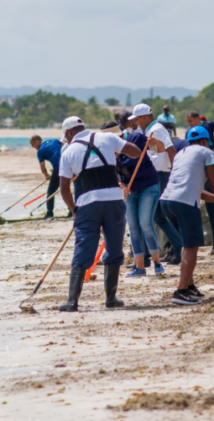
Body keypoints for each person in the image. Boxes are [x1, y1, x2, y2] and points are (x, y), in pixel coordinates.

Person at [58, 116, 141, 312]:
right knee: (113, 247)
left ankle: (72, 301)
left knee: (84, 247)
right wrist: (115, 154)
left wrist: (74, 210)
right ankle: (111, 298)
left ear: (69, 133)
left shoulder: (68, 151)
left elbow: (64, 189)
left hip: (87, 204)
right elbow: (136, 152)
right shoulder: (107, 138)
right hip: (114, 200)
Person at [160, 126, 214, 305]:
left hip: (166, 201)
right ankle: (180, 291)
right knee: (192, 247)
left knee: (186, 243)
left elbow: (199, 191)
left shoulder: (181, 153)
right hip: (184, 203)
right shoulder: (207, 153)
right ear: (207, 141)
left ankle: (189, 287)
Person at [128, 103, 184, 267]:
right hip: (157, 174)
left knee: (156, 216)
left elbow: (171, 150)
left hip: (160, 175)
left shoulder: (157, 129)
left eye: (137, 119)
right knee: (157, 215)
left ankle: (178, 248)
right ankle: (174, 249)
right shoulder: (150, 129)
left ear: (144, 117)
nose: (136, 123)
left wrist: (175, 172)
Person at [118, 125, 163, 277]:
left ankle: (157, 263)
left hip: (148, 186)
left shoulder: (135, 139)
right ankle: (140, 268)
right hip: (128, 190)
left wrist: (155, 142)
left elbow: (161, 149)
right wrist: (121, 185)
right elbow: (110, 173)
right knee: (133, 226)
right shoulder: (104, 150)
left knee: (145, 223)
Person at [185, 111, 214, 256]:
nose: (189, 124)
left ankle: (207, 243)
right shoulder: (209, 151)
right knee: (212, 210)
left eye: (191, 121)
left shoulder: (202, 129)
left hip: (199, 175)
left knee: (202, 210)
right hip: (209, 173)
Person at [30, 134, 64, 221]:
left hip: (58, 168)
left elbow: (42, 166)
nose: (33, 147)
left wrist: (46, 175)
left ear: (37, 141)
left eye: (33, 145)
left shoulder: (40, 150)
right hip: (67, 164)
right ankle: (71, 212)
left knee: (50, 192)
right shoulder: (54, 140)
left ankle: (49, 214)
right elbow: (64, 145)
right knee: (64, 189)